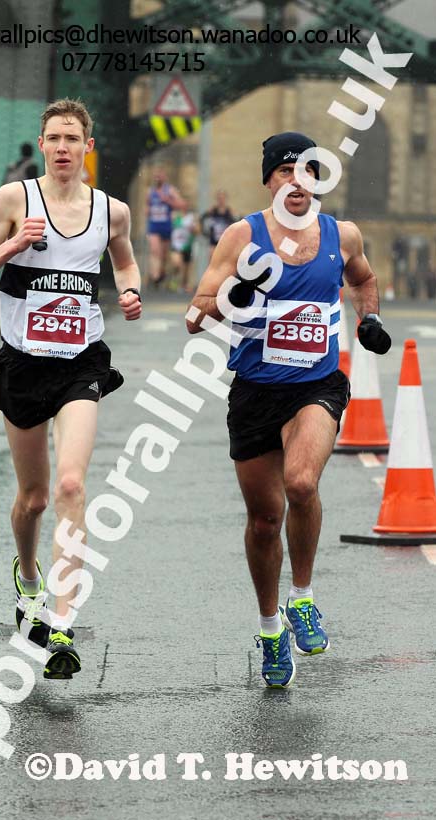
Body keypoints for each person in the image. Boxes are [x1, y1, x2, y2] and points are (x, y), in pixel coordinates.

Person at [186, 132, 391, 688]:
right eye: (284, 173)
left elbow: (365, 280)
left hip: (316, 386)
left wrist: (368, 318)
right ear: (269, 183)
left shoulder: (340, 234)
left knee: (301, 484)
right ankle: (271, 627)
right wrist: (235, 299)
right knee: (263, 520)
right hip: (254, 391)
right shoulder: (241, 236)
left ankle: (302, 598)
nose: (296, 182)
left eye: (306, 172)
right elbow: (196, 314)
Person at [0, 98, 142, 680]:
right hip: (22, 365)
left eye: (73, 138)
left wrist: (131, 292)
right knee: (33, 498)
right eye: (53, 138)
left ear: (88, 147)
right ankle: (29, 577)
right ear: (42, 145)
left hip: (80, 363)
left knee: (69, 484)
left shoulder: (113, 212)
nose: (63, 147)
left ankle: (62, 621)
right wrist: (14, 245)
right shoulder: (16, 200)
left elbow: (127, 264)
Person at [146, 167, 184, 287]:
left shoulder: (170, 190)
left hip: (166, 226)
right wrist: (147, 211)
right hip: (154, 226)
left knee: (164, 255)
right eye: (156, 175)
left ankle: (161, 274)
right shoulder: (150, 191)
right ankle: (155, 276)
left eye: (160, 175)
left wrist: (168, 201)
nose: (158, 177)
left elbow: (182, 205)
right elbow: (147, 207)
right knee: (155, 250)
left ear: (165, 177)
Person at [170, 199, 198, 292]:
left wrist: (194, 229)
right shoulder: (174, 216)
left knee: (186, 270)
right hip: (176, 245)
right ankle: (174, 279)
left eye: (186, 205)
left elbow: (197, 231)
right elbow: (169, 227)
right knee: (177, 264)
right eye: (182, 205)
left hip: (187, 245)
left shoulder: (192, 217)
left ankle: (182, 285)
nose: (184, 207)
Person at [201, 189, 236, 259]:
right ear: (217, 199)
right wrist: (204, 233)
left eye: (223, 198)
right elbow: (201, 219)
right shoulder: (212, 211)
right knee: (212, 259)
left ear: (226, 199)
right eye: (219, 198)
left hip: (225, 242)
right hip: (213, 242)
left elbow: (236, 224)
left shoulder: (230, 212)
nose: (221, 200)